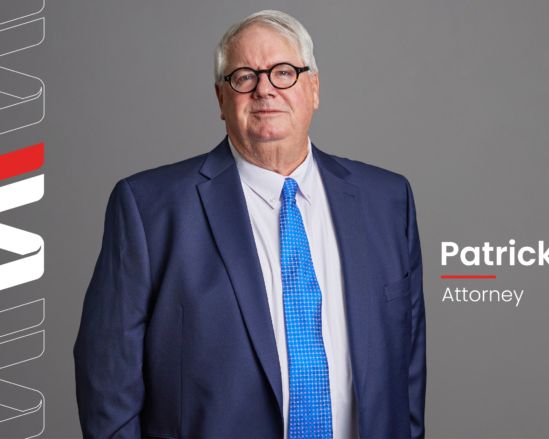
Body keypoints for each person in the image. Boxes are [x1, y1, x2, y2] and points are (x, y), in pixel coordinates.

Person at [74, 10, 425, 438]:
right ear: (221, 99)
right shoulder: (148, 209)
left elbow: (407, 375)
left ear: (314, 88)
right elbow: (107, 384)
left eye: (284, 72)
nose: (265, 89)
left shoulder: (387, 201)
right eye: (244, 77)